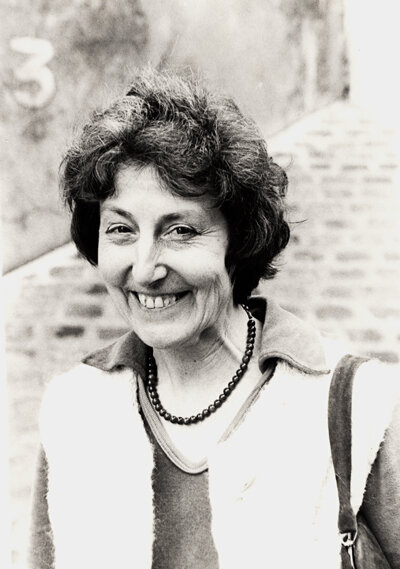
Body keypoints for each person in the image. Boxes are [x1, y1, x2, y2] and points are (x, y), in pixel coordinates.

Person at [29, 69, 400, 569]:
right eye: (120, 229)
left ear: (239, 241)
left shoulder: (357, 407)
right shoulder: (75, 412)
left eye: (180, 230)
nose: (145, 268)